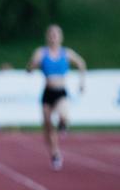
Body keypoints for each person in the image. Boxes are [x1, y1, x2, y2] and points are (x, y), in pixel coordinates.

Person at [26, 24, 87, 171]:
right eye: (51, 34)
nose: (53, 37)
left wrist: (82, 83)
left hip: (61, 92)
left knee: (64, 115)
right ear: (47, 37)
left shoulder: (66, 53)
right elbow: (29, 68)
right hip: (47, 93)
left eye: (56, 34)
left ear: (61, 37)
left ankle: (63, 124)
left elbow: (81, 64)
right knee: (47, 125)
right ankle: (55, 153)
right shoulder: (41, 52)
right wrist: (33, 65)